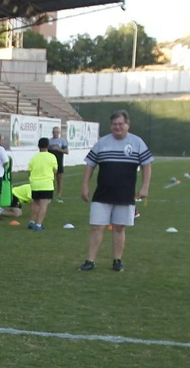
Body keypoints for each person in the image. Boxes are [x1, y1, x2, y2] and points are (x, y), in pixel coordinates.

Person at [78, 110, 152, 272]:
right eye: (114, 125)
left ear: (127, 125)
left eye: (120, 124)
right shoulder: (102, 143)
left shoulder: (137, 142)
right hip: (102, 194)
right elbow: (90, 165)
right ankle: (90, 260)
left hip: (125, 194)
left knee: (119, 228)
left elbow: (146, 164)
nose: (117, 127)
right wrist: (85, 185)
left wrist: (145, 186)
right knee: (97, 227)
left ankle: (117, 260)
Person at [27, 138, 56, 230]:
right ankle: (39, 225)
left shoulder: (34, 157)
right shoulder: (51, 157)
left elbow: (29, 171)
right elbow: (55, 170)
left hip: (35, 184)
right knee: (44, 204)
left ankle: (31, 221)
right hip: (46, 184)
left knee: (35, 203)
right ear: (48, 146)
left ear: (38, 146)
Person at [48, 126, 69, 195]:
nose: (55, 134)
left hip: (59, 162)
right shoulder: (49, 141)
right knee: (50, 180)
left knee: (59, 179)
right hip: (50, 163)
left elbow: (66, 151)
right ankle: (50, 194)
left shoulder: (62, 141)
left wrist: (58, 149)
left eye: (56, 132)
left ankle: (59, 195)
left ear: (59, 133)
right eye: (54, 132)